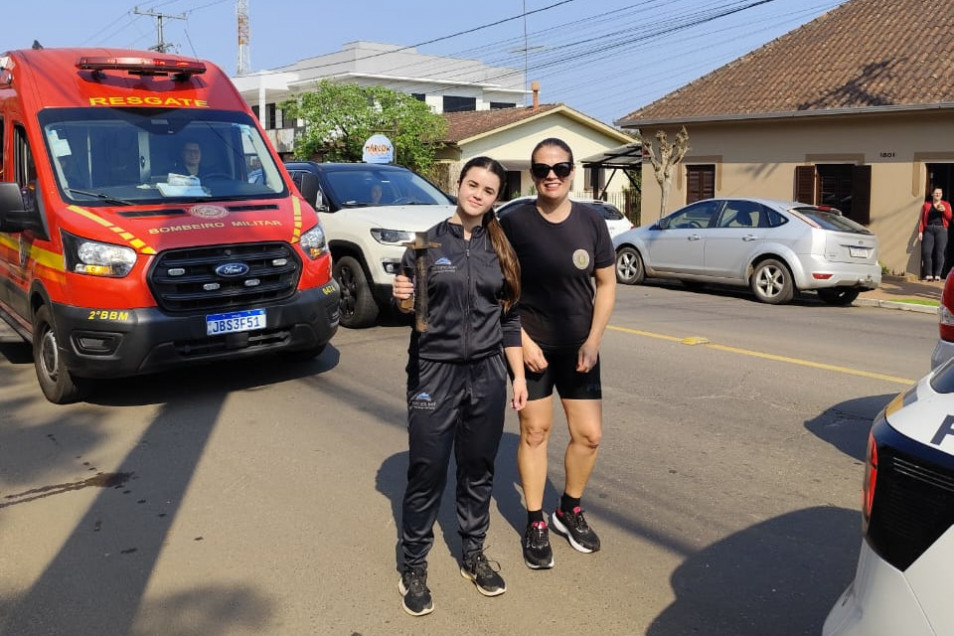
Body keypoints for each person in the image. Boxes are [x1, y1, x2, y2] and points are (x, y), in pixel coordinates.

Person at [391, 156, 528, 617]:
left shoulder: (501, 248)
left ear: (496, 198)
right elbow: (415, 315)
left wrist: (519, 377)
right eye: (472, 185)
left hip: (488, 372)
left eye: (488, 190)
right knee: (427, 470)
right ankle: (413, 564)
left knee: (478, 468)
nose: (478, 194)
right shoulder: (426, 245)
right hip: (435, 370)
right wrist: (402, 300)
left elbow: (509, 319)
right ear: (459, 184)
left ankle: (473, 554)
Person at [497, 137, 616, 570]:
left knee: (589, 435)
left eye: (561, 168)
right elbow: (500, 289)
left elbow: (606, 285)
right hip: (533, 346)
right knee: (535, 433)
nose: (552, 176)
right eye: (543, 169)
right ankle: (535, 521)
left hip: (580, 348)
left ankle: (568, 509)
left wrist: (594, 340)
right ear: (532, 174)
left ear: (572, 173)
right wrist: (523, 341)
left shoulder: (591, 222)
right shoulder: (514, 223)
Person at [919, 187, 952, 281]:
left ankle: (938, 274)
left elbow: (950, 217)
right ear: (932, 194)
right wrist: (920, 231)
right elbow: (922, 219)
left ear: (941, 195)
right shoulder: (926, 205)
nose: (938, 194)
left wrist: (944, 210)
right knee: (926, 252)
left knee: (940, 252)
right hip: (929, 229)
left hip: (941, 229)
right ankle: (928, 274)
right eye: (936, 193)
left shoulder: (946, 204)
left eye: (940, 193)